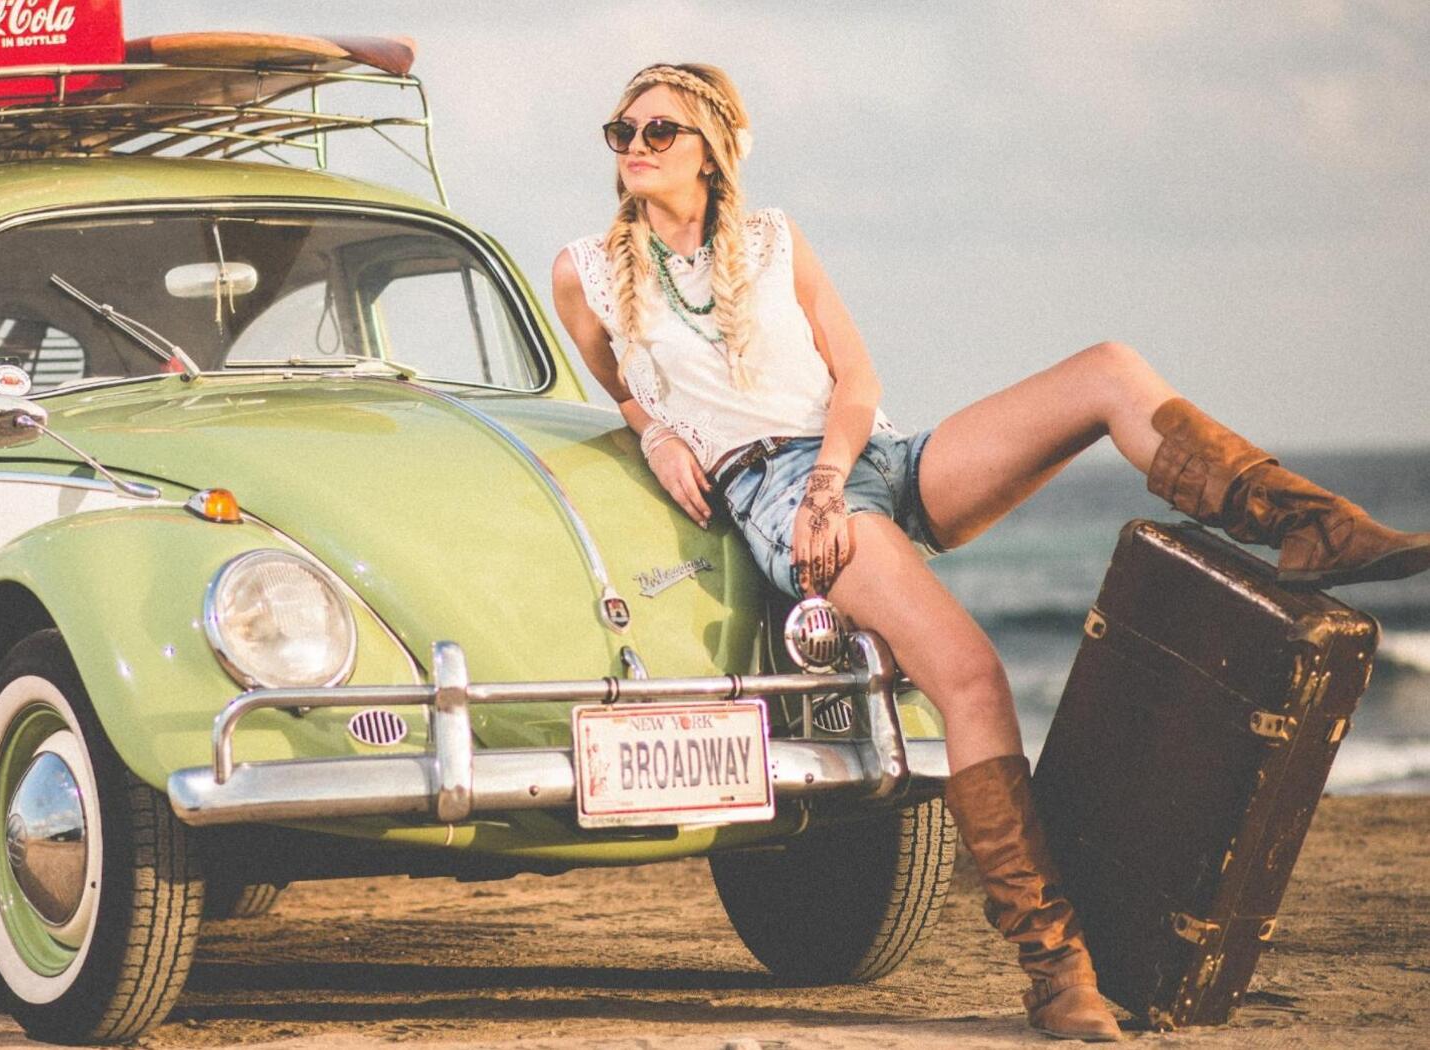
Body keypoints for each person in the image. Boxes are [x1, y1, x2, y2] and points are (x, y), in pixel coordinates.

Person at [551, 61, 1430, 1042]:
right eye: (619, 131)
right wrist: (660, 434)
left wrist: (844, 473)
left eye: (657, 131)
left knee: (1106, 371)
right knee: (970, 675)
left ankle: (1307, 525)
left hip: (865, 458)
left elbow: (854, 377)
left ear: (712, 148)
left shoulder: (772, 240)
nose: (632, 147)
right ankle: (1056, 969)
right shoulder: (583, 269)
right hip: (780, 495)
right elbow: (623, 386)